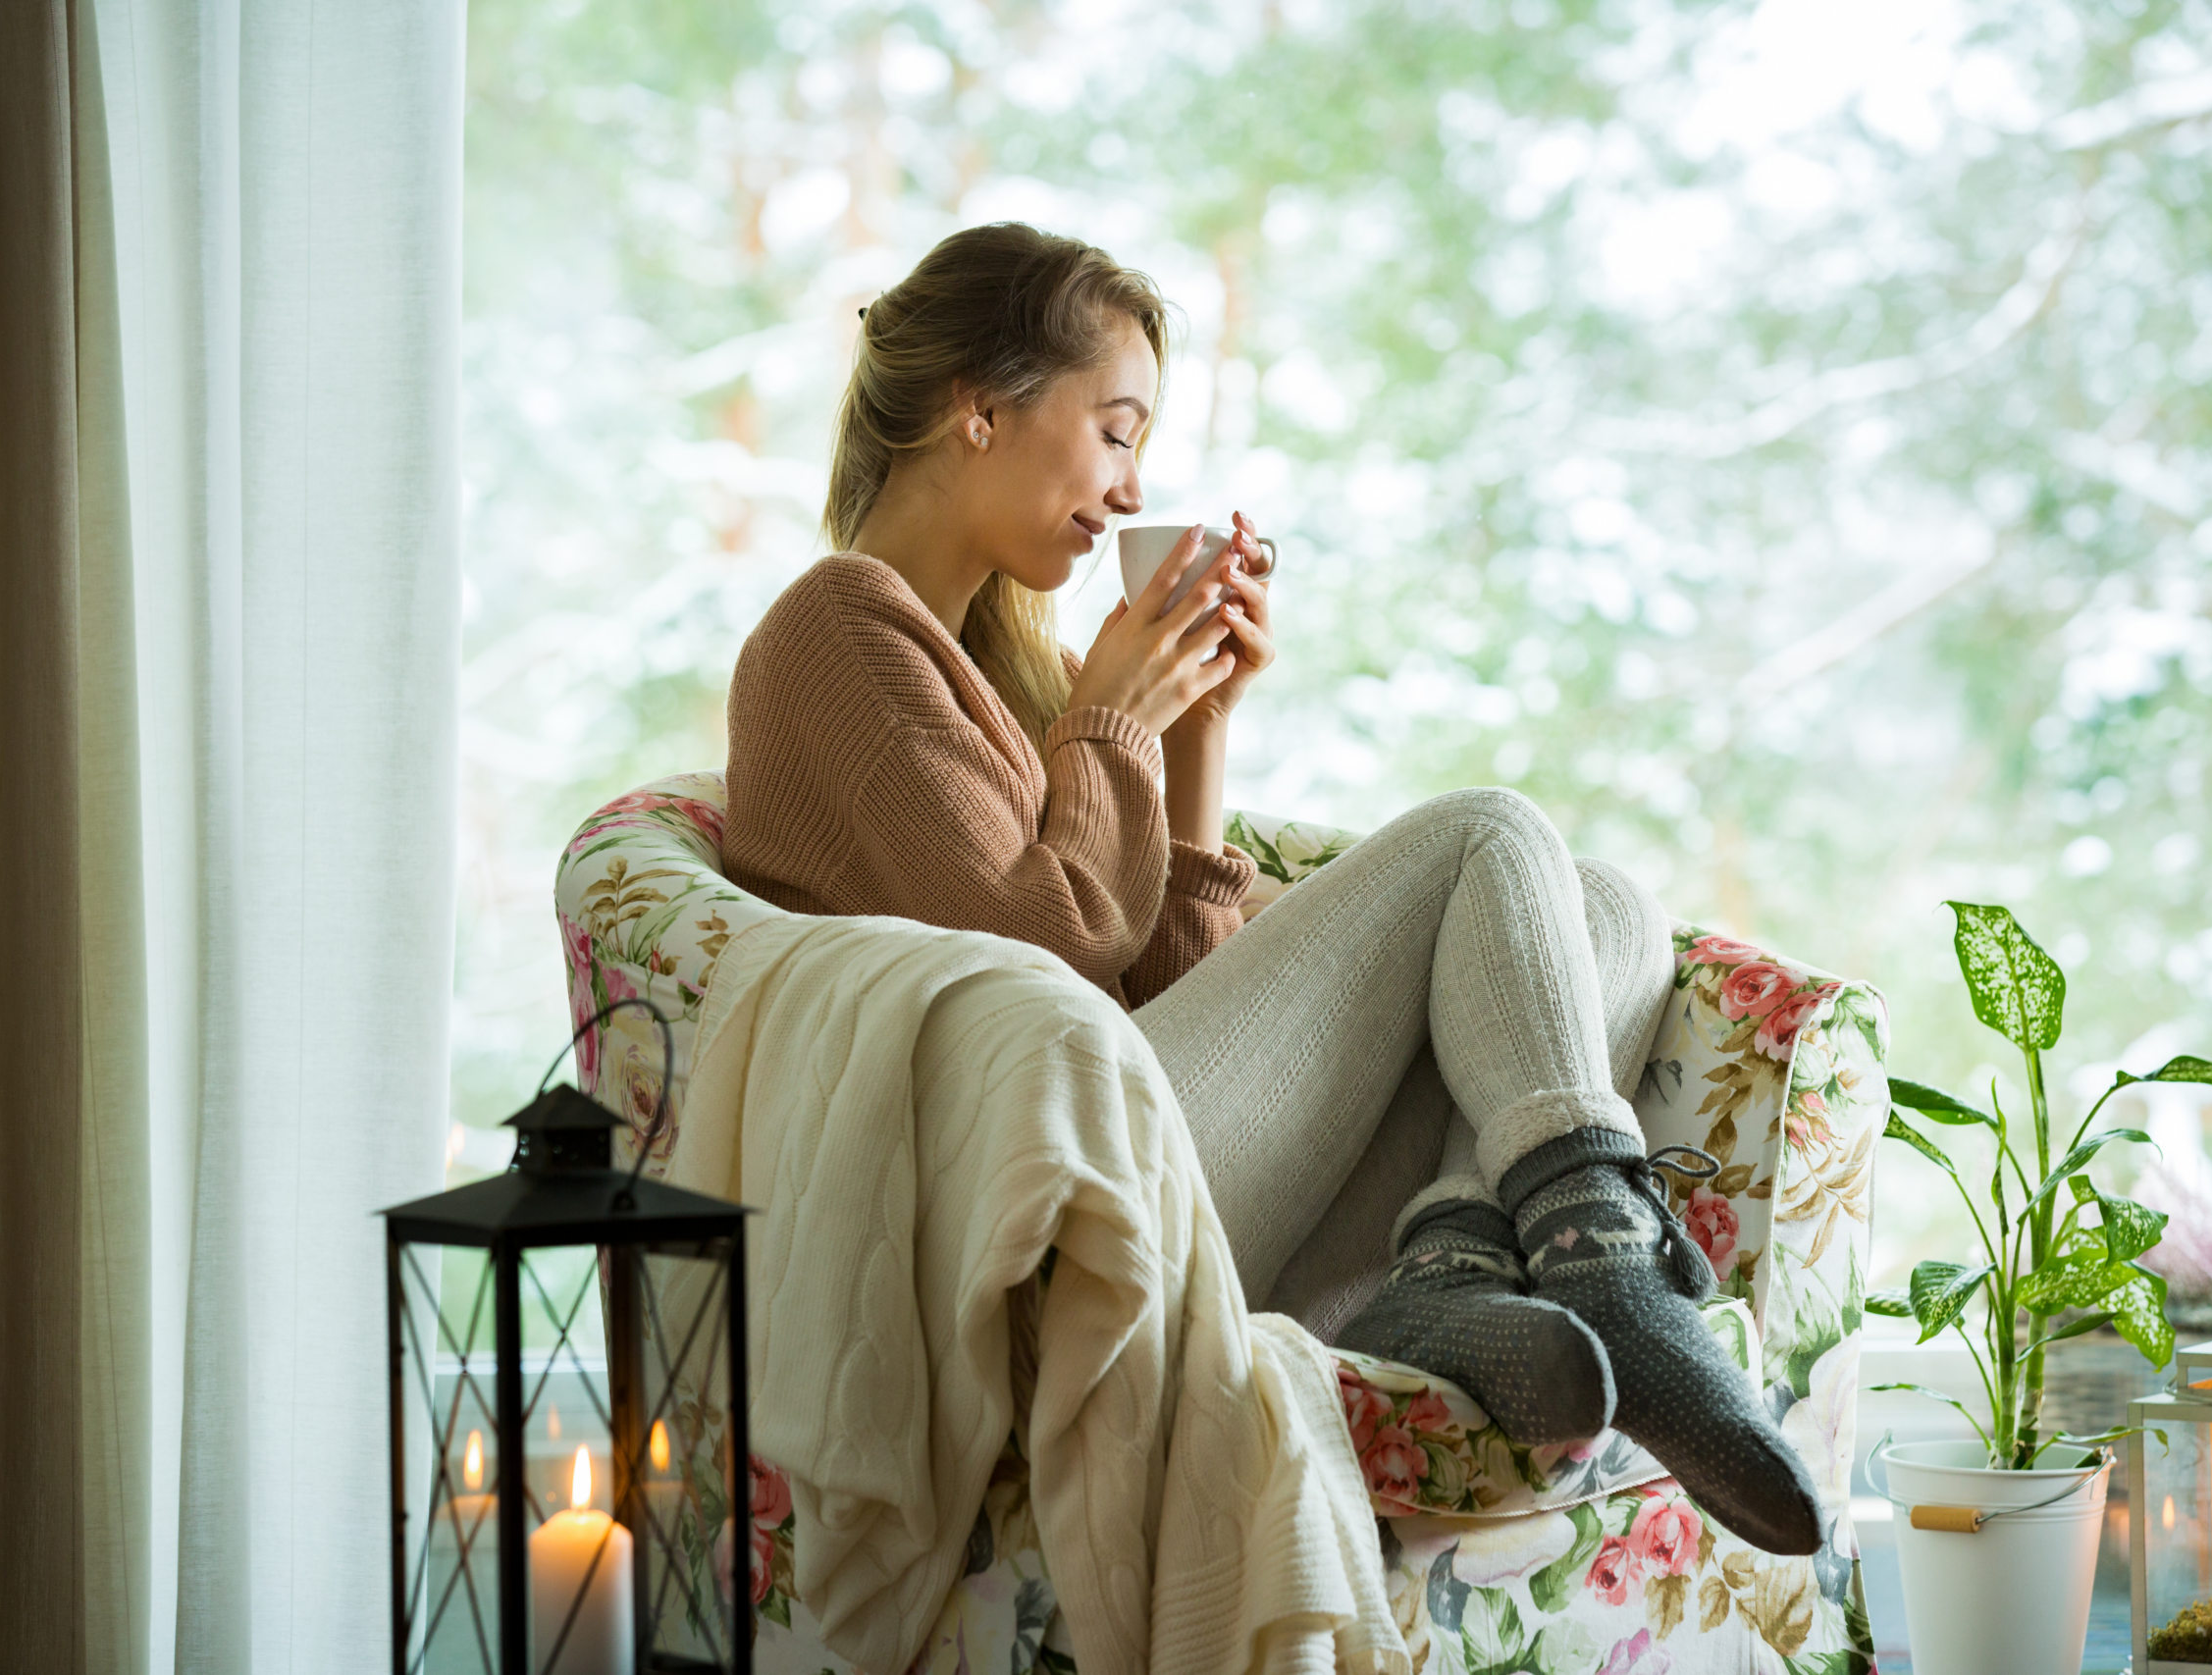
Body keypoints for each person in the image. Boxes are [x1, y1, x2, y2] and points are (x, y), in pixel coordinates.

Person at [720, 222, 1818, 1555]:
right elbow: (1047, 975)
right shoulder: (838, 632)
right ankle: (1607, 1262)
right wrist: (1114, 717)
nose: (1130, 490)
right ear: (979, 408)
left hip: (1151, 1178)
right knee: (1486, 833)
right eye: (1115, 430)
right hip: (1030, 1247)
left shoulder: (1000, 674)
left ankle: (1452, 1269)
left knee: (1601, 914)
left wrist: (1194, 735)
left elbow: (1176, 1006)